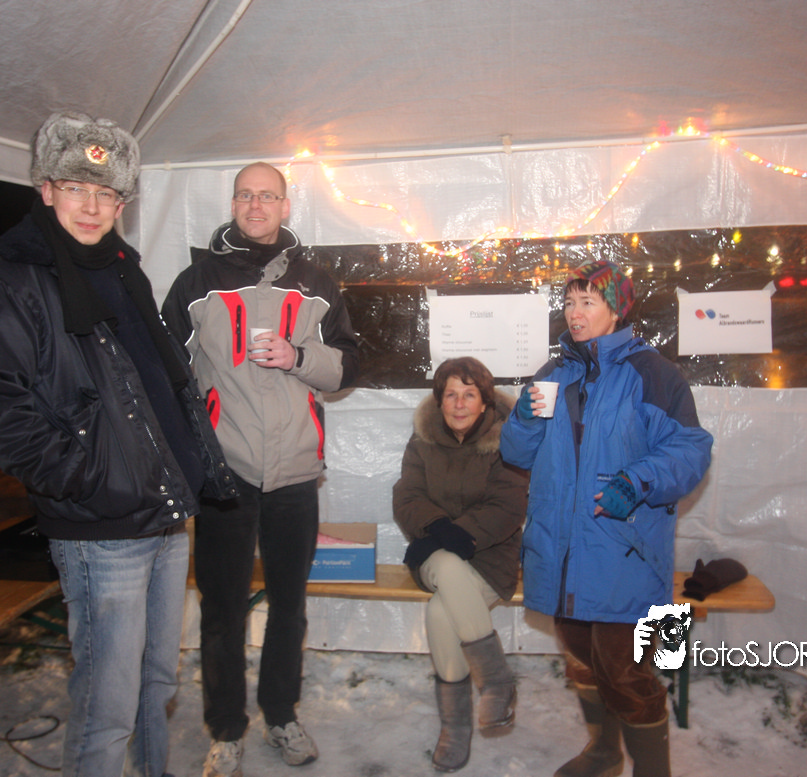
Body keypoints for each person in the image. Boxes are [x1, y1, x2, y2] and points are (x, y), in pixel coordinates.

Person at [0, 111, 237, 777]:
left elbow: (156, 384)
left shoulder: (122, 269)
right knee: (107, 707)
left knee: (157, 684)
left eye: (108, 193)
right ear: (45, 189)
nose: (92, 206)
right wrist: (92, 479)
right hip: (102, 525)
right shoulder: (11, 282)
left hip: (165, 511)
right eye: (76, 188)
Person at [161, 162, 360, 777]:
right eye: (246, 195)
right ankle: (225, 728)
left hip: (295, 471)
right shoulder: (196, 283)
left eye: (267, 196)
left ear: (285, 206)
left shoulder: (317, 283)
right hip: (225, 473)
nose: (256, 205)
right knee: (221, 609)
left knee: (289, 605)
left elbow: (348, 366)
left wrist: (298, 356)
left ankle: (280, 714)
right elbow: (165, 371)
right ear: (233, 203)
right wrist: (192, 445)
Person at [500, 260, 713, 777]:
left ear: (616, 310)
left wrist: (635, 483)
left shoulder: (653, 374)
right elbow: (515, 454)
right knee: (583, 662)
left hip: (624, 551)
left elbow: (690, 449)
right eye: (569, 302)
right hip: (562, 551)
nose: (574, 313)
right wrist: (523, 418)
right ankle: (603, 752)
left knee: (627, 673)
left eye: (588, 302)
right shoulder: (553, 374)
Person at [392, 357, 529, 772]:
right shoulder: (423, 439)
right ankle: (497, 682)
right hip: (435, 552)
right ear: (439, 400)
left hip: (490, 553)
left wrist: (455, 535)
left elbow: (508, 506)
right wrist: (438, 530)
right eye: (450, 394)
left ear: (485, 401)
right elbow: (407, 495)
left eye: (469, 394)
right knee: (448, 567)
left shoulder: (509, 440)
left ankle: (455, 727)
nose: (459, 403)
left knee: (440, 612)